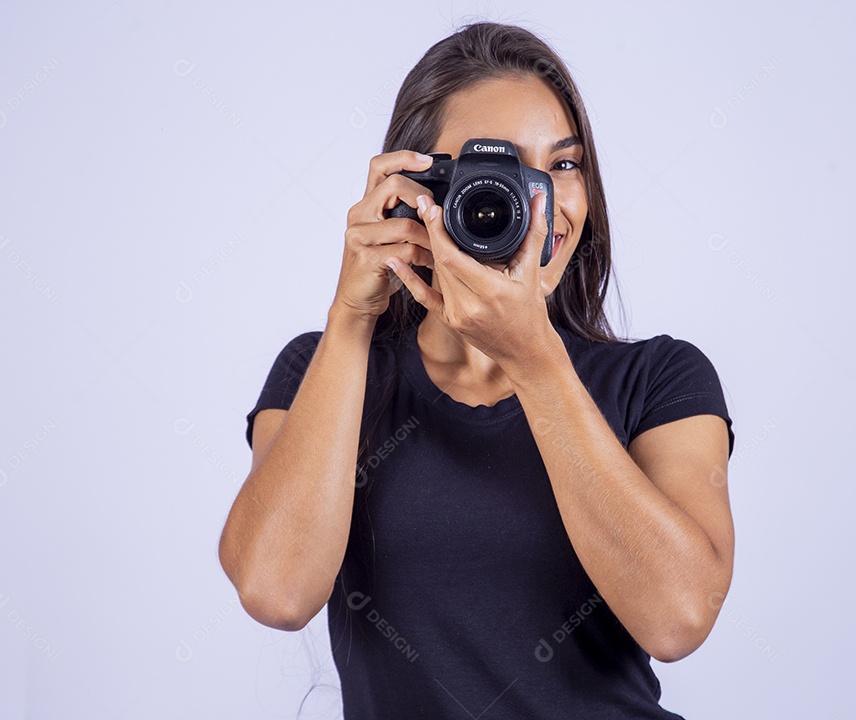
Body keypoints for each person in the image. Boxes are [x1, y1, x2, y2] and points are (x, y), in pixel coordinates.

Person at [219, 21, 736, 720]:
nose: (537, 203)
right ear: (412, 185)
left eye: (562, 165)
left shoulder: (658, 380)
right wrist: (350, 315)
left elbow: (678, 619)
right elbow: (276, 592)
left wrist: (536, 361)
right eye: (496, 171)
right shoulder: (324, 370)